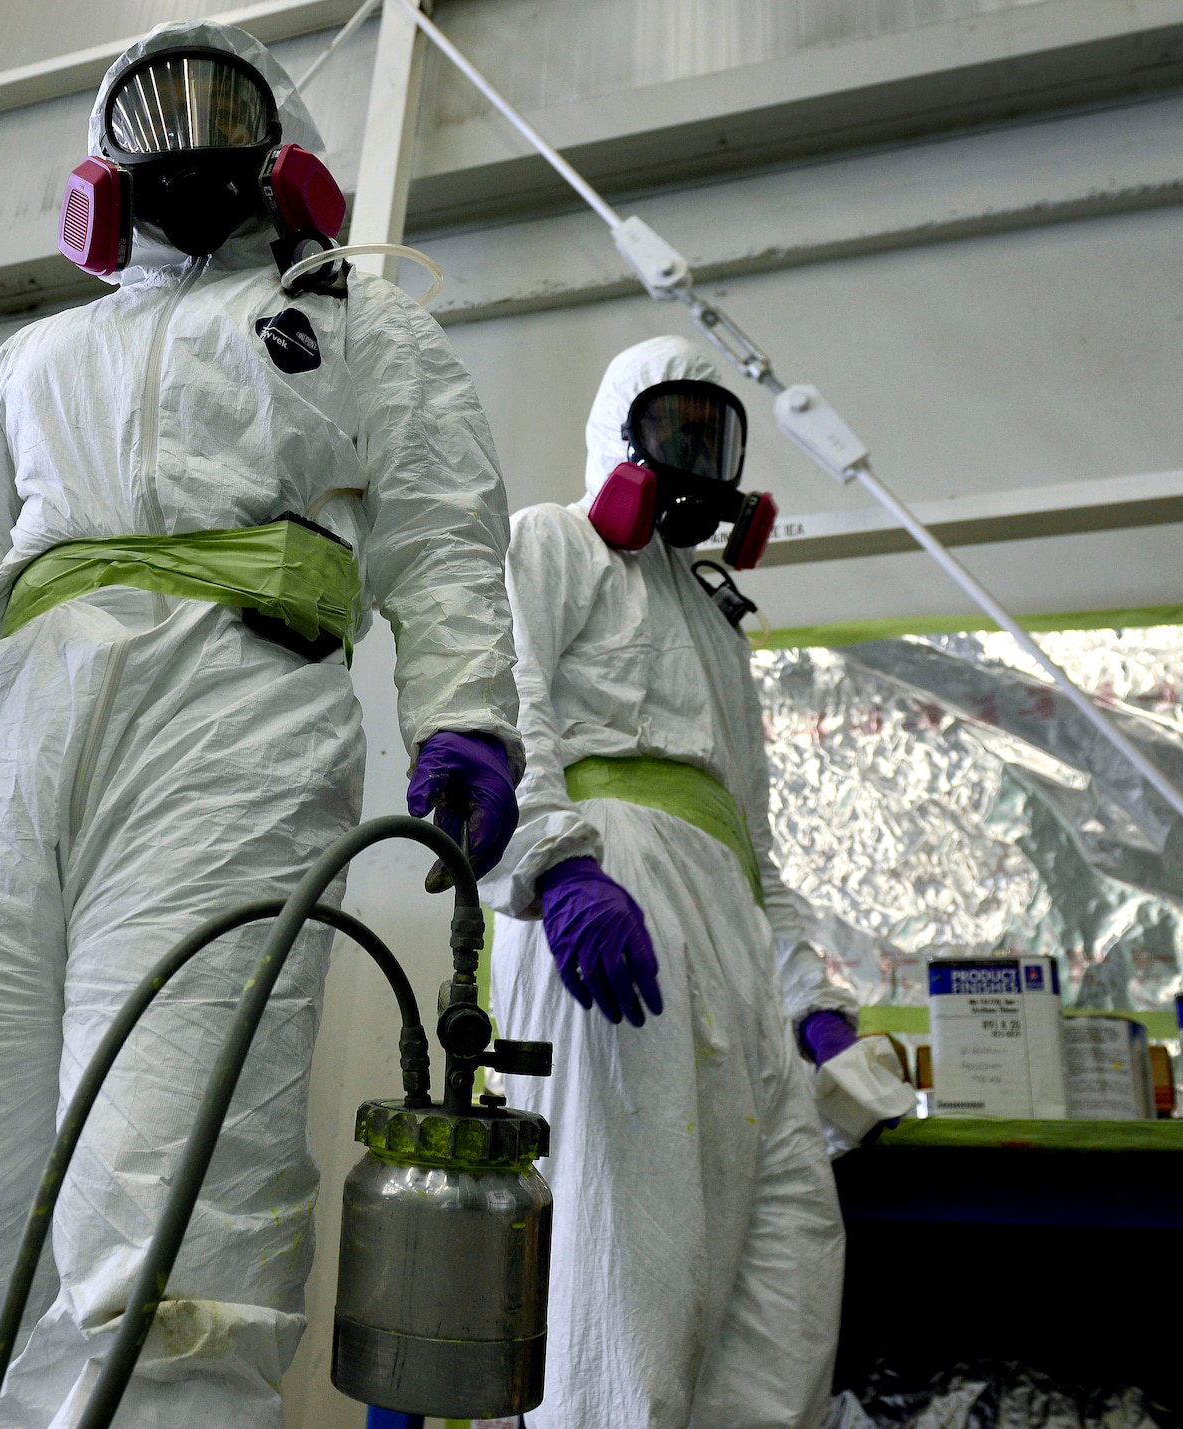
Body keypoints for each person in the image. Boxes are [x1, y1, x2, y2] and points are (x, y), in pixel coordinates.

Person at [0, 22, 521, 1428]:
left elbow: (441, 542)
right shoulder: (35, 358)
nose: (188, 138)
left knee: (176, 1153)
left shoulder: (364, 329)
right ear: (102, 165)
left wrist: (468, 720)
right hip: (19, 743)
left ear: (286, 146)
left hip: (234, 734)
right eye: (154, 113)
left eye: (221, 109)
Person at [485, 335, 858, 1428]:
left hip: (727, 930)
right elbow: (500, 698)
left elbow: (753, 843)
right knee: (624, 1275)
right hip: (611, 896)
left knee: (787, 1259)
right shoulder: (552, 543)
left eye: (714, 434)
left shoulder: (712, 622)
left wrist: (809, 1001)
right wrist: (555, 870)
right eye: (672, 428)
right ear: (617, 435)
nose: (696, 456)